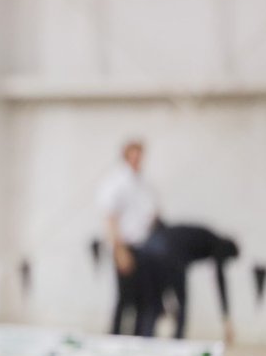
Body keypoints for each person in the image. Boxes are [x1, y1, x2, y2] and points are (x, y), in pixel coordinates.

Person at [97, 139, 164, 337]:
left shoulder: (144, 184)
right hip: (125, 246)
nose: (137, 160)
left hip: (145, 249)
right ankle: (115, 339)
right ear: (126, 157)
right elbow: (110, 218)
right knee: (124, 300)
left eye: (140, 156)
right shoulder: (116, 183)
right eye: (133, 156)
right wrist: (119, 250)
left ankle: (138, 340)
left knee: (144, 301)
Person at [143, 223, 239, 343]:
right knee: (181, 302)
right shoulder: (216, 244)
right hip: (170, 256)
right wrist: (227, 319)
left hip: (155, 251)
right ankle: (177, 341)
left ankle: (146, 338)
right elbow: (220, 280)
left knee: (155, 303)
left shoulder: (206, 237)